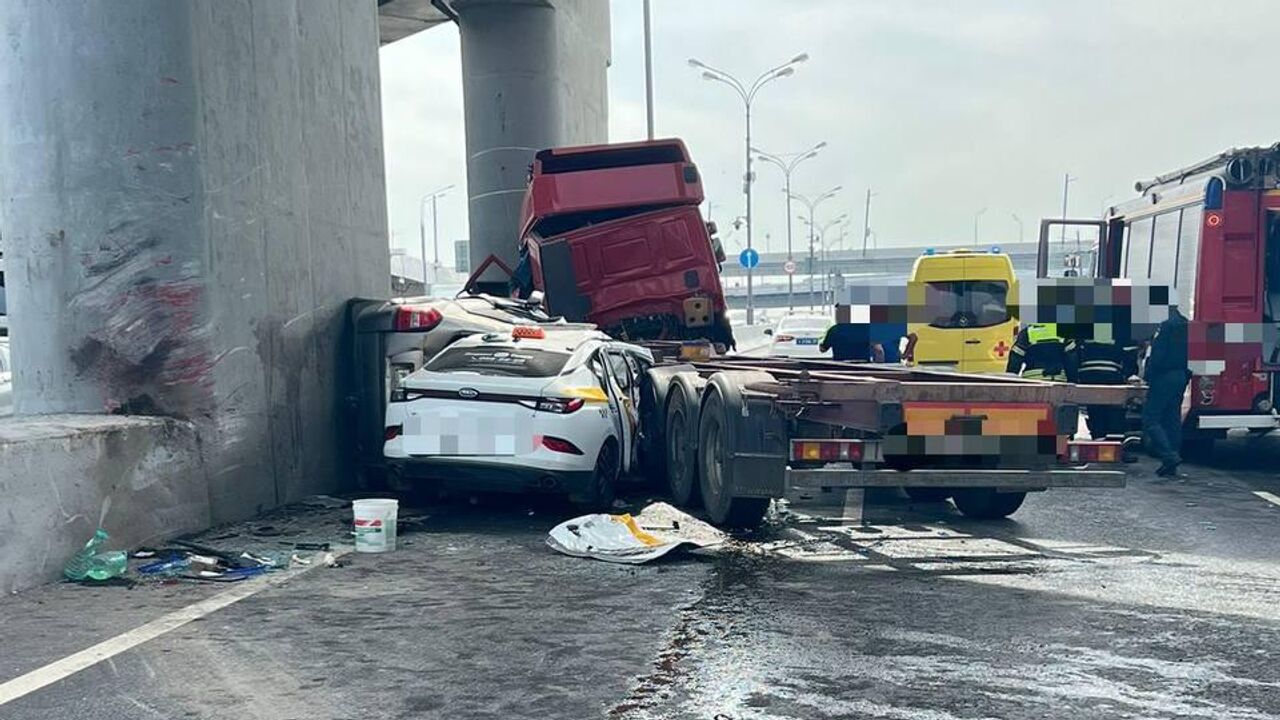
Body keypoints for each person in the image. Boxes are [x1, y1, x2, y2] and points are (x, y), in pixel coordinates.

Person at [1143, 304, 1190, 477]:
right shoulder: (1187, 325)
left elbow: (1158, 355)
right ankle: (1172, 461)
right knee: (1172, 419)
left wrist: (1147, 377)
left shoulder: (1165, 325)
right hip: (1181, 376)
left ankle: (1168, 456)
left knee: (1150, 418)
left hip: (1164, 376)